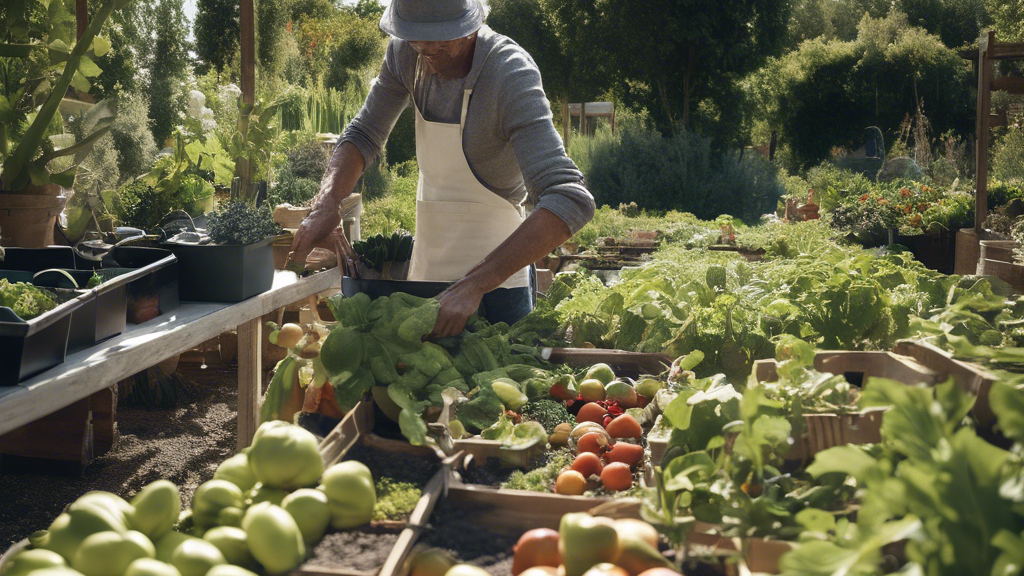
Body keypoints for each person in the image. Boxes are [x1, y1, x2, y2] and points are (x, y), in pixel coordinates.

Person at [287, 0, 595, 338]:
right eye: (417, 37)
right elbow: (364, 133)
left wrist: (474, 284)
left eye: (441, 39)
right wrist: (328, 200)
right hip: (427, 271)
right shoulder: (406, 53)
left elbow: (569, 199)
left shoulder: (509, 74)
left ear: (473, 23)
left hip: (498, 287)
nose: (426, 48)